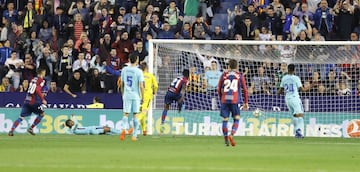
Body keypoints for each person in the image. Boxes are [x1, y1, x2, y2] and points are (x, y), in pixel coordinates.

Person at [8, 68, 48, 136]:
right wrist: (43, 99)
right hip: (34, 101)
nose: (45, 73)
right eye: (44, 72)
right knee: (42, 114)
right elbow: (37, 89)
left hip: (27, 100)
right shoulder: (41, 80)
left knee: (21, 117)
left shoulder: (33, 79)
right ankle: (31, 128)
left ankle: (11, 130)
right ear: (42, 72)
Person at [218, 59, 248, 147]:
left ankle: (226, 140)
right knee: (237, 118)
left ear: (229, 66)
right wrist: (246, 102)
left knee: (225, 119)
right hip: (235, 100)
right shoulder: (239, 76)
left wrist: (221, 98)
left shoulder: (224, 75)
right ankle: (231, 134)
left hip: (225, 100)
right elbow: (245, 90)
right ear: (237, 66)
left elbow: (218, 88)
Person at [277, 64, 311, 139]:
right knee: (300, 115)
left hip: (287, 99)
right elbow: (303, 90)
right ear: (294, 70)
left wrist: (278, 93)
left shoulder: (284, 78)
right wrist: (311, 85)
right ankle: (299, 131)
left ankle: (296, 132)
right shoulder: (296, 78)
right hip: (295, 98)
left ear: (288, 69)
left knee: (294, 115)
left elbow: (280, 91)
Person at [120, 54, 144, 141]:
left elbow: (122, 83)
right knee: (135, 115)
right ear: (137, 60)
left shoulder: (124, 70)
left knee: (126, 113)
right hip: (136, 95)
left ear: (129, 60)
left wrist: (123, 93)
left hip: (127, 94)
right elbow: (141, 86)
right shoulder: (139, 71)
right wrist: (143, 97)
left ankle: (123, 129)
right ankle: (134, 135)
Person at [160, 69, 190, 134]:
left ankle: (162, 124)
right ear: (188, 75)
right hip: (176, 94)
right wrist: (181, 99)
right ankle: (179, 109)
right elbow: (183, 90)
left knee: (166, 108)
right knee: (182, 100)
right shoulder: (186, 80)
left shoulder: (177, 77)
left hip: (169, 92)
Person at [137, 62, 158, 136]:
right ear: (146, 68)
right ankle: (136, 121)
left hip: (139, 95)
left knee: (141, 112)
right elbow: (155, 86)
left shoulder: (139, 75)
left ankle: (144, 130)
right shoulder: (150, 75)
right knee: (144, 112)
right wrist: (154, 92)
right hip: (147, 96)